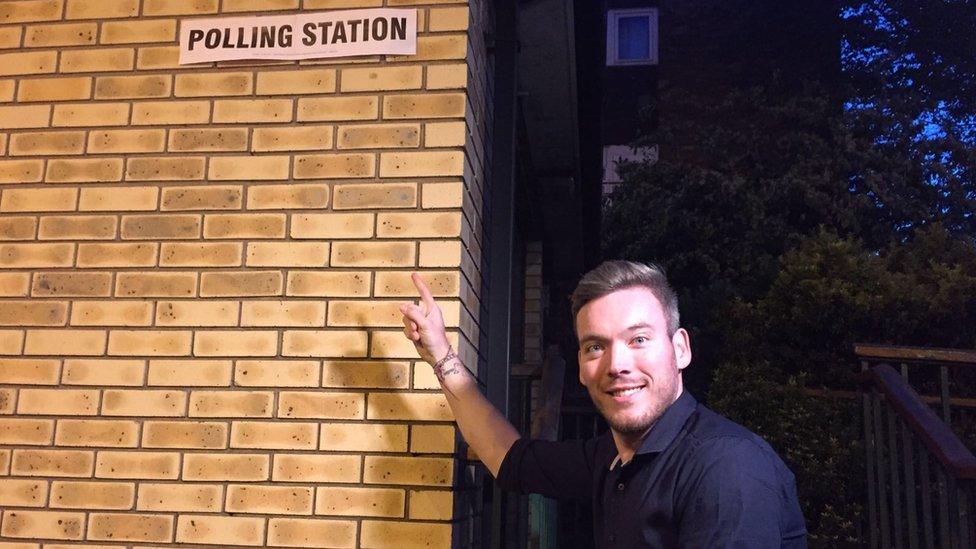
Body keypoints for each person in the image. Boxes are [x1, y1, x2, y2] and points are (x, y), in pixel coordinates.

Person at [400, 260, 807, 548]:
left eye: (639, 339)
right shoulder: (613, 456)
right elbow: (510, 458)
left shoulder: (725, 468)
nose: (617, 365)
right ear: (580, 366)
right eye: (596, 347)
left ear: (680, 349)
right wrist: (441, 357)